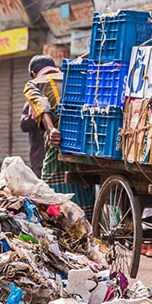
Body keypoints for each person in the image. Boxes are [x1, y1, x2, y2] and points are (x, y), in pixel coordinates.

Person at [23, 54, 95, 218]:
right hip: (87, 143)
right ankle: (90, 224)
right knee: (86, 187)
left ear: (34, 73)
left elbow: (41, 105)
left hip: (61, 143)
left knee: (51, 190)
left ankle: (62, 226)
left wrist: (51, 130)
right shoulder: (72, 76)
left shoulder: (34, 83)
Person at [20, 101, 45, 177]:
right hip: (38, 154)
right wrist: (33, 117)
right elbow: (23, 126)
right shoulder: (31, 103)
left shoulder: (54, 98)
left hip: (54, 152)